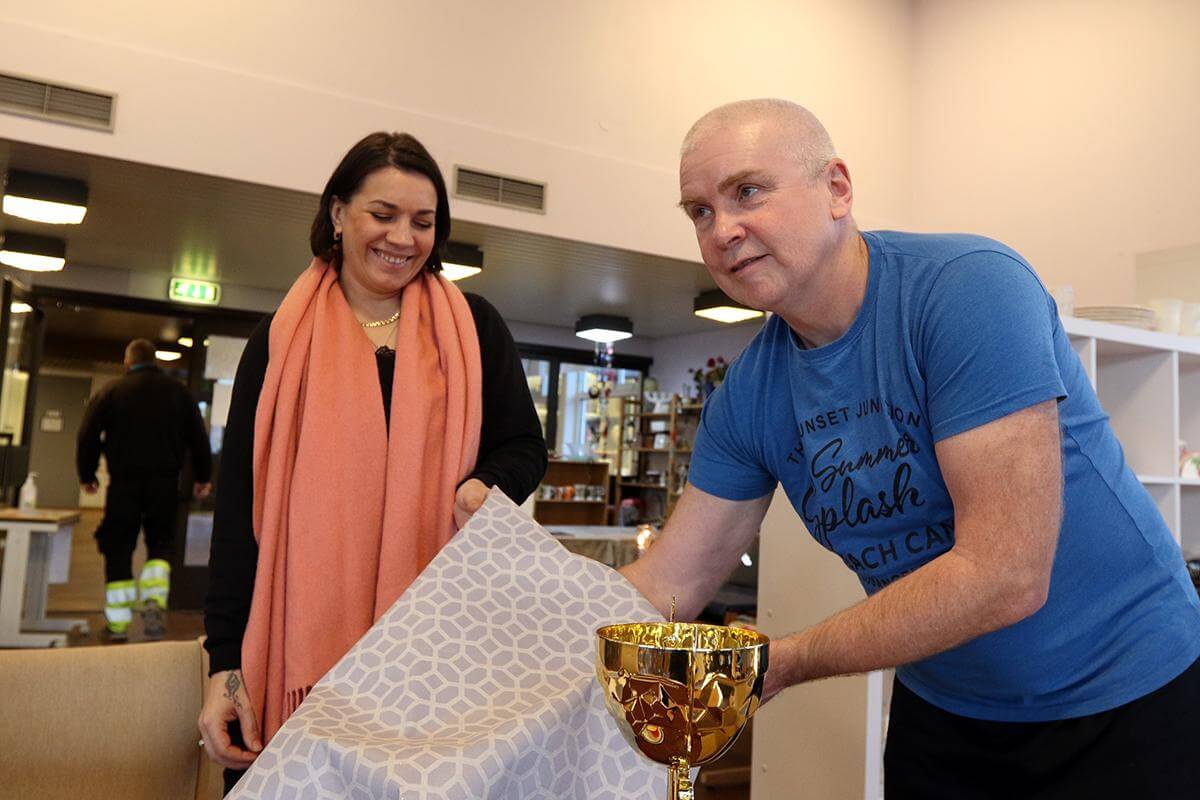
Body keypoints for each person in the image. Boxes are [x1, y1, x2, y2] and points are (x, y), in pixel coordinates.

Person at [621, 99, 1200, 797]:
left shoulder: (965, 289)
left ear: (837, 189)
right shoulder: (748, 395)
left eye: (747, 191)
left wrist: (791, 660)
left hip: (1129, 693)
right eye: (699, 213)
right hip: (949, 706)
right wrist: (522, 637)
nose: (722, 231)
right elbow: (667, 586)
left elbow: (1006, 573)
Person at [199, 131, 547, 793]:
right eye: (382, 215)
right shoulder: (277, 344)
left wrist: (484, 486)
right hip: (302, 651)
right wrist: (225, 668)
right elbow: (240, 517)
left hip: (439, 647)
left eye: (423, 222)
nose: (403, 238)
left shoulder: (472, 328)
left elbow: (525, 446)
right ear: (337, 214)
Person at [77, 338, 213, 640]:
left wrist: (87, 474)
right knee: (161, 544)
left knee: (118, 546)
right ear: (155, 361)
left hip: (123, 484)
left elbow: (87, 435)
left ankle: (118, 623)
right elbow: (199, 439)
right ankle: (154, 604)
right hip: (165, 484)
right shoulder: (179, 394)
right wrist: (203, 477)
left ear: (128, 361)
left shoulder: (112, 392)